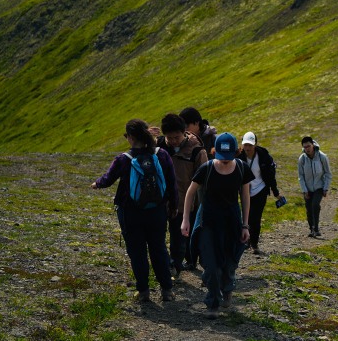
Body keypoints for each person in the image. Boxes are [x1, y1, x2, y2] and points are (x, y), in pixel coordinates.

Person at [91, 119, 178, 302]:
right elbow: (171, 183)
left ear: (130, 137)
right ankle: (166, 290)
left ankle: (144, 291)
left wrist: (96, 184)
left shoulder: (124, 159)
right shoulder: (161, 155)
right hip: (157, 211)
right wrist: (174, 206)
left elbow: (108, 179)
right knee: (159, 248)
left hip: (131, 212)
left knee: (137, 251)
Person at [182, 132, 252, 319]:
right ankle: (212, 301)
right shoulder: (206, 169)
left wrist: (245, 225)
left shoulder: (242, 169)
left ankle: (227, 288)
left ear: (236, 153)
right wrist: (186, 220)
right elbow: (190, 193)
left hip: (232, 221)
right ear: (214, 152)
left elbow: (245, 197)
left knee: (229, 261)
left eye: (229, 158)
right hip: (208, 221)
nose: (225, 161)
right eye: (222, 157)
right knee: (211, 265)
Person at [159, 113, 208, 275]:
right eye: (169, 138)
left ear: (184, 132)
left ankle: (175, 268)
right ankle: (166, 265)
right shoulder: (158, 148)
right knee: (158, 237)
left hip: (182, 204)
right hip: (159, 201)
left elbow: (204, 179)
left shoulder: (196, 151)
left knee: (178, 239)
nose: (173, 141)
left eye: (176, 137)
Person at [240, 131, 282, 255]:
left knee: (255, 218)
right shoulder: (239, 156)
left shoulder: (264, 156)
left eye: (250, 145)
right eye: (245, 145)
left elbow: (270, 176)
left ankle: (254, 243)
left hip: (260, 190)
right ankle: (246, 240)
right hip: (245, 191)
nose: (247, 148)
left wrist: (276, 192)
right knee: (245, 217)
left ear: (255, 145)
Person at [298, 136, 332, 238]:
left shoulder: (322, 157)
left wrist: (325, 187)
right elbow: (301, 176)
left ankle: (316, 229)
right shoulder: (302, 159)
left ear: (313, 145)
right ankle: (311, 229)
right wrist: (304, 190)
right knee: (309, 208)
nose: (307, 149)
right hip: (307, 188)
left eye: (308, 146)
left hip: (319, 187)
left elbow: (328, 173)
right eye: (305, 147)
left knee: (315, 205)